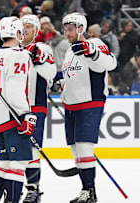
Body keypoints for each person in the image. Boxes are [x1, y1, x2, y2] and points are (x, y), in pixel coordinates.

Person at [60, 12, 117, 203]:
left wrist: (92, 52)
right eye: (65, 29)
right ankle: (86, 190)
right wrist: (61, 84)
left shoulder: (94, 44)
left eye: (70, 30)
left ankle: (89, 191)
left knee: (84, 147)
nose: (66, 33)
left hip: (89, 102)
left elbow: (111, 63)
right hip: (71, 105)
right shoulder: (68, 52)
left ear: (81, 29)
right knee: (76, 149)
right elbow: (73, 77)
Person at [0, 16, 36, 203]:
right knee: (19, 162)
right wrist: (26, 114)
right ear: (15, 32)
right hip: (11, 117)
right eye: (21, 30)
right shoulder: (19, 54)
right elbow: (15, 90)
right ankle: (12, 200)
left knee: (3, 161)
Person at [20, 14, 56, 203]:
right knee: (13, 149)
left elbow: (50, 73)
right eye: (22, 26)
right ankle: (14, 185)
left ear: (35, 30)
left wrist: (38, 60)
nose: (25, 30)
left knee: (31, 148)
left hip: (35, 107)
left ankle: (33, 189)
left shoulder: (42, 48)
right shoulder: (12, 49)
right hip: (13, 107)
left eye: (29, 26)